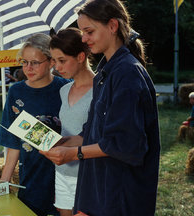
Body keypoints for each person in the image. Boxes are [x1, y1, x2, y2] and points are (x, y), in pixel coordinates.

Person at [40, 0, 160, 215]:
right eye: (82, 32)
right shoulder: (106, 73)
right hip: (100, 190)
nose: (84, 39)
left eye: (89, 31)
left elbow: (125, 144)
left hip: (120, 194)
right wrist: (62, 143)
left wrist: (72, 154)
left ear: (112, 26)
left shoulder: (127, 73)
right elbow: (92, 132)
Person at [0, 33, 69, 216]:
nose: (28, 68)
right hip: (31, 177)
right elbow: (13, 143)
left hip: (66, 175)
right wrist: (4, 182)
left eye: (35, 62)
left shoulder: (67, 88)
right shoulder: (16, 91)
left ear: (52, 61)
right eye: (24, 62)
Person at [49, 27, 94, 216]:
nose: (56, 67)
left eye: (62, 61)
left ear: (81, 56)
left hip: (89, 174)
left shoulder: (103, 89)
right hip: (62, 171)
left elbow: (102, 135)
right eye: (53, 60)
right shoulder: (64, 90)